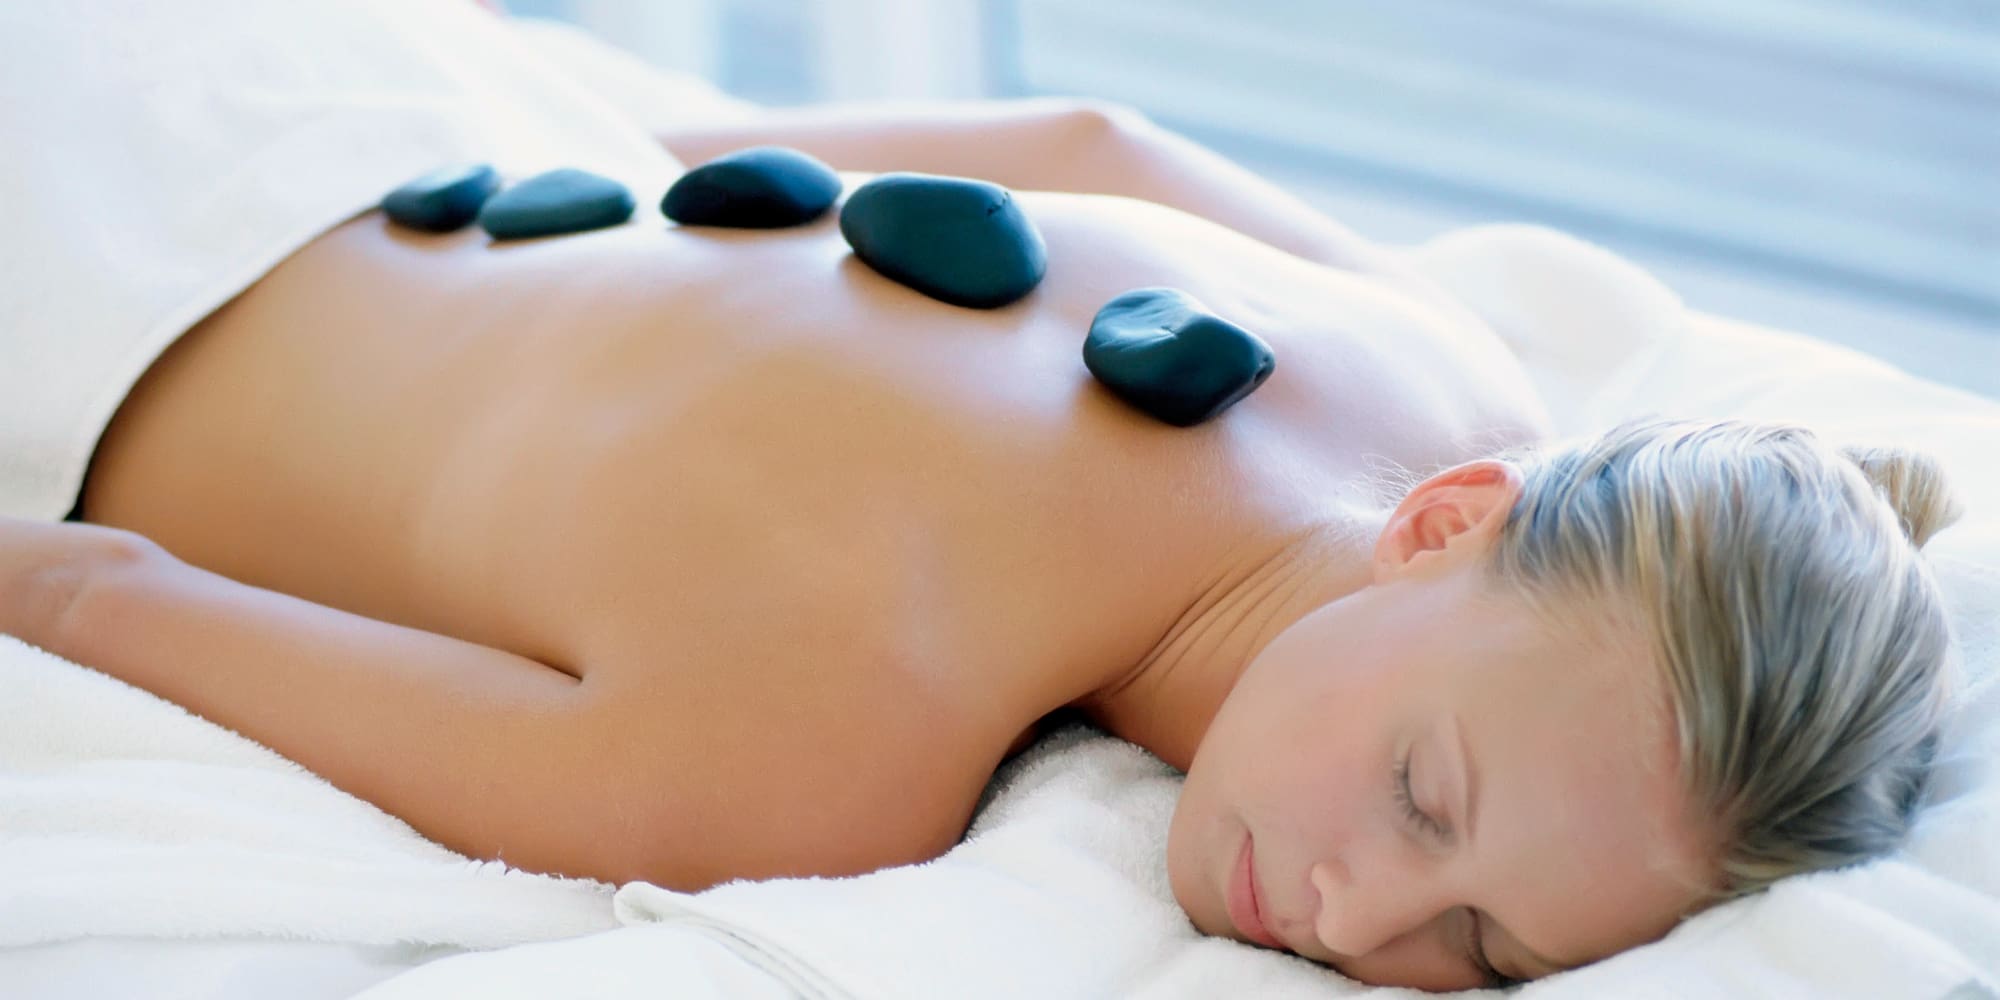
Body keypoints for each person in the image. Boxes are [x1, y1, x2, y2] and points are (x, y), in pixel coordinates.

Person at [0, 1, 1963, 991]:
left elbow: (1085, 137)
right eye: (1424, 792)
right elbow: (93, 591)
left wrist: (588, 133)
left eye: (1477, 953)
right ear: (1450, 520)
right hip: (90, 279)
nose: (1356, 912)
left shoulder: (1443, 370)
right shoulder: (826, 757)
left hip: (366, 87)